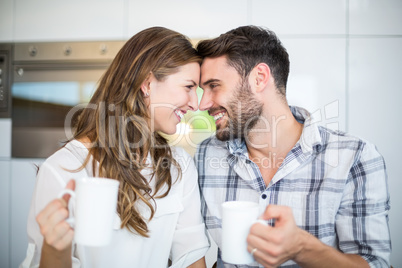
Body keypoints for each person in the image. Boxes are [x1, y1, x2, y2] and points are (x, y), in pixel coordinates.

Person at [194, 25, 391, 267]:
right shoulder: (206, 155)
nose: (203, 103)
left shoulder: (354, 158)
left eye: (214, 86)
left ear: (259, 78)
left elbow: (375, 263)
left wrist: (301, 247)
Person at [20, 26, 210, 268]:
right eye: (189, 87)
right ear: (147, 83)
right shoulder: (63, 169)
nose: (196, 103)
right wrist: (55, 249)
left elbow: (191, 258)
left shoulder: (179, 165)